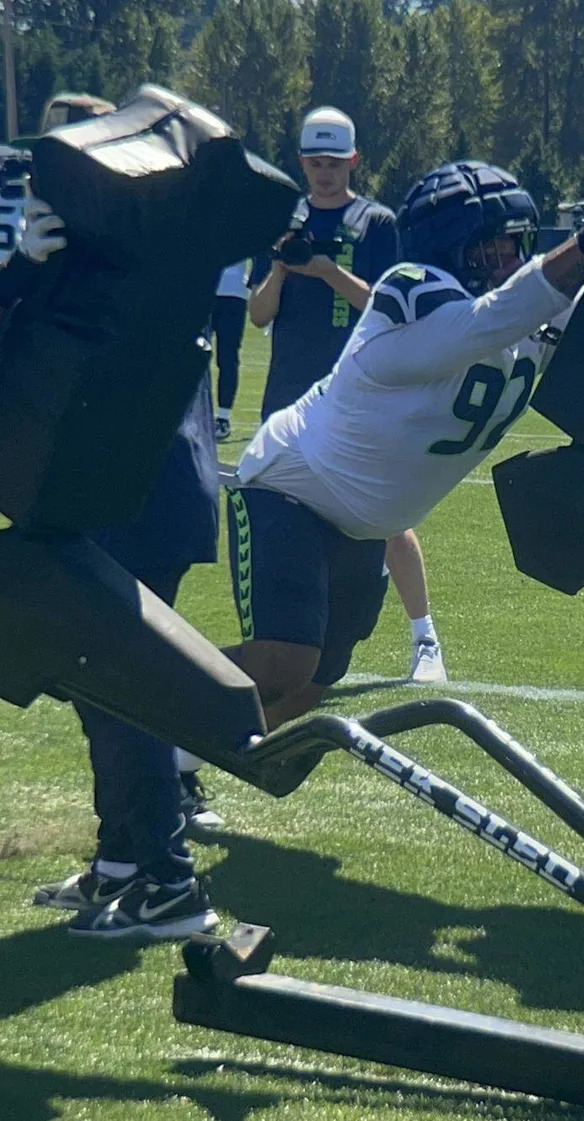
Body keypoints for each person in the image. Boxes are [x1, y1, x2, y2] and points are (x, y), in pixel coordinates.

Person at [220, 160, 584, 731]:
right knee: (284, 663)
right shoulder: (412, 301)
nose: (511, 262)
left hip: (364, 524)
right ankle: (135, 701)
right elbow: (493, 319)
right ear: (454, 250)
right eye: (495, 250)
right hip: (290, 485)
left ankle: (174, 768)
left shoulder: (507, 312)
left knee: (309, 690)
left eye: (517, 247)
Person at [8, 106, 221, 939]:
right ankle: (125, 861)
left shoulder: (115, 251)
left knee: (119, 681)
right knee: (99, 683)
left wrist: (21, 271)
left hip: (126, 491)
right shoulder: (159, 238)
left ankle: (168, 881)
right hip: (144, 490)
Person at [246, 105, 446, 686]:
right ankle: (295, 645)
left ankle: (424, 637)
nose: (325, 172)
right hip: (288, 396)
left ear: (354, 161)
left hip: (361, 395)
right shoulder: (285, 221)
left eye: (335, 162)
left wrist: (328, 271)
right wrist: (284, 267)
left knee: (382, 516)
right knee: (287, 522)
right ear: (302, 162)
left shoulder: (376, 222)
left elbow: (389, 306)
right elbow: (259, 314)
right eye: (315, 161)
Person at [211, 260, 250, 441]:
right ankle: (189, 413)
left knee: (227, 358)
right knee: (191, 355)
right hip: (203, 289)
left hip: (233, 294)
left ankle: (223, 417)